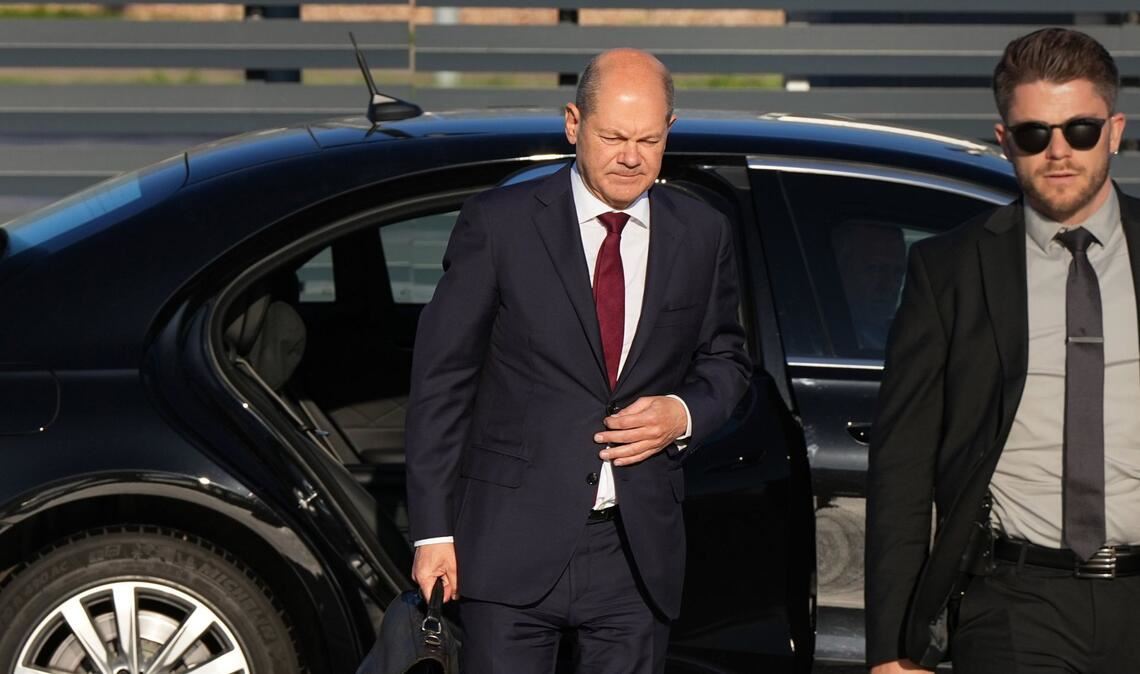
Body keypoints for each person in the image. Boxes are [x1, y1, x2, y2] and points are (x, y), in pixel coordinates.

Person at [404, 48, 751, 674]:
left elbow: (727, 358)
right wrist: (433, 534)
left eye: (649, 139)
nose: (631, 156)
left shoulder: (702, 233)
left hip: (635, 551)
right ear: (573, 124)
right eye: (613, 136)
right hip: (507, 544)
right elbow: (441, 382)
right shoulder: (501, 224)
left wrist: (682, 412)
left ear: (670, 130)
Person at [866, 27, 1140, 674]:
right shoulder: (950, 270)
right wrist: (891, 649)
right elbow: (901, 469)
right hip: (1015, 603)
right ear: (1004, 141)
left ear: (1114, 130)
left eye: (1080, 130)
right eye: (1033, 135)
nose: (1059, 152)